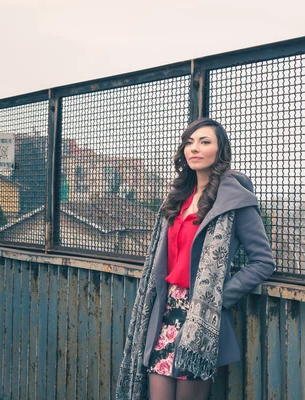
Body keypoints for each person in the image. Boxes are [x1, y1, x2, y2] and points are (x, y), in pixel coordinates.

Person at [116, 117, 275, 400]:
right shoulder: (176, 199)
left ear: (220, 150)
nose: (194, 149)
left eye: (204, 142)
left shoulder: (236, 201)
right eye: (189, 142)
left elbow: (263, 261)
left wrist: (219, 298)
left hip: (201, 319)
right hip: (165, 313)